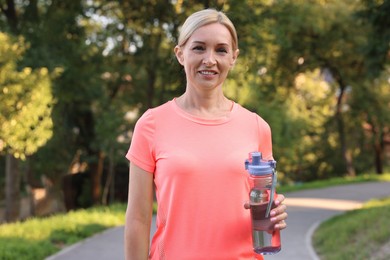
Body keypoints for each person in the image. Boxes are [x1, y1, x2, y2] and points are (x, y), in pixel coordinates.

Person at [124, 8, 288, 260]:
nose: (209, 59)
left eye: (221, 50)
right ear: (180, 54)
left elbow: (265, 202)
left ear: (233, 57)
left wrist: (276, 212)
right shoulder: (152, 124)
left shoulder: (256, 127)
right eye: (199, 48)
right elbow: (137, 218)